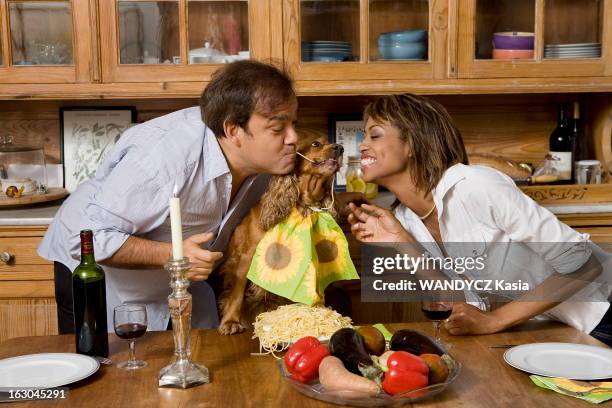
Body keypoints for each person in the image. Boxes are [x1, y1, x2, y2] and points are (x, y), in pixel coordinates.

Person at [38, 60, 300, 333]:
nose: (293, 137)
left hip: (179, 284)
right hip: (97, 275)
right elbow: (89, 237)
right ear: (233, 130)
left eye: (294, 123)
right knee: (110, 368)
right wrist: (174, 255)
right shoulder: (164, 157)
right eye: (278, 129)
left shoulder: (269, 164)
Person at [347, 94, 611, 346]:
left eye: (375, 135)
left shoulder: (475, 185)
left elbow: (584, 264)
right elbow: (459, 308)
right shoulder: (406, 219)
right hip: (566, 328)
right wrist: (403, 243)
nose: (362, 145)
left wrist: (494, 320)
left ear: (413, 144)